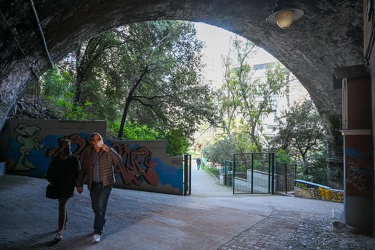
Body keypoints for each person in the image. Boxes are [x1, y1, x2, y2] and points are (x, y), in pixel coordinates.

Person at [76, 132, 122, 243]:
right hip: (94, 184)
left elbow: (119, 160)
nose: (101, 139)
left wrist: (108, 150)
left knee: (101, 208)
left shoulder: (107, 150)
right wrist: (79, 183)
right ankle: (102, 221)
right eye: (98, 138)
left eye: (101, 138)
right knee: (95, 207)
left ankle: (97, 232)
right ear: (93, 142)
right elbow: (84, 169)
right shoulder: (88, 153)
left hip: (106, 184)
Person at [46, 138, 80, 241]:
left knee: (62, 205)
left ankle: (60, 230)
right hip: (57, 186)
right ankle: (65, 223)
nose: (68, 148)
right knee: (63, 205)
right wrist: (50, 180)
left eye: (69, 146)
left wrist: (79, 185)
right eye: (65, 146)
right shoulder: (56, 160)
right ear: (60, 148)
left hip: (68, 187)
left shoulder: (74, 160)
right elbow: (50, 172)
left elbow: (78, 174)